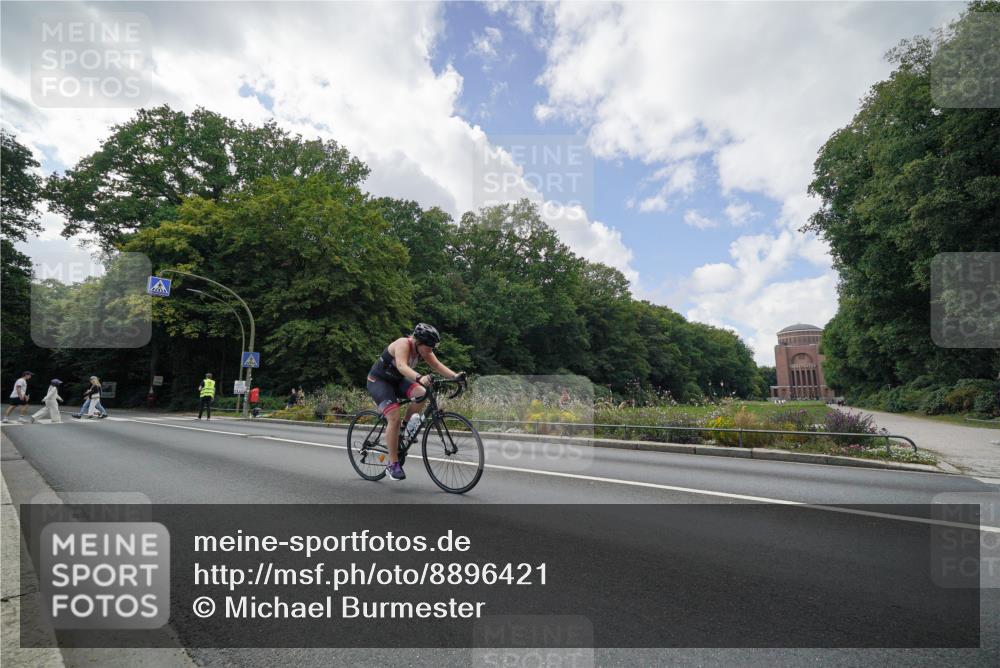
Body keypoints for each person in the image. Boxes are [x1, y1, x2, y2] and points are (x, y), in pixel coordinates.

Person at [366, 323, 463, 481]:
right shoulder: (403, 344)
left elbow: (437, 365)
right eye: (429, 347)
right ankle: (393, 464)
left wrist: (455, 377)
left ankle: (405, 427)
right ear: (418, 343)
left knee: (422, 393)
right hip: (379, 381)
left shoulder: (423, 349)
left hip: (396, 381)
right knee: (393, 417)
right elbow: (401, 366)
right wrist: (419, 377)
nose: (431, 351)